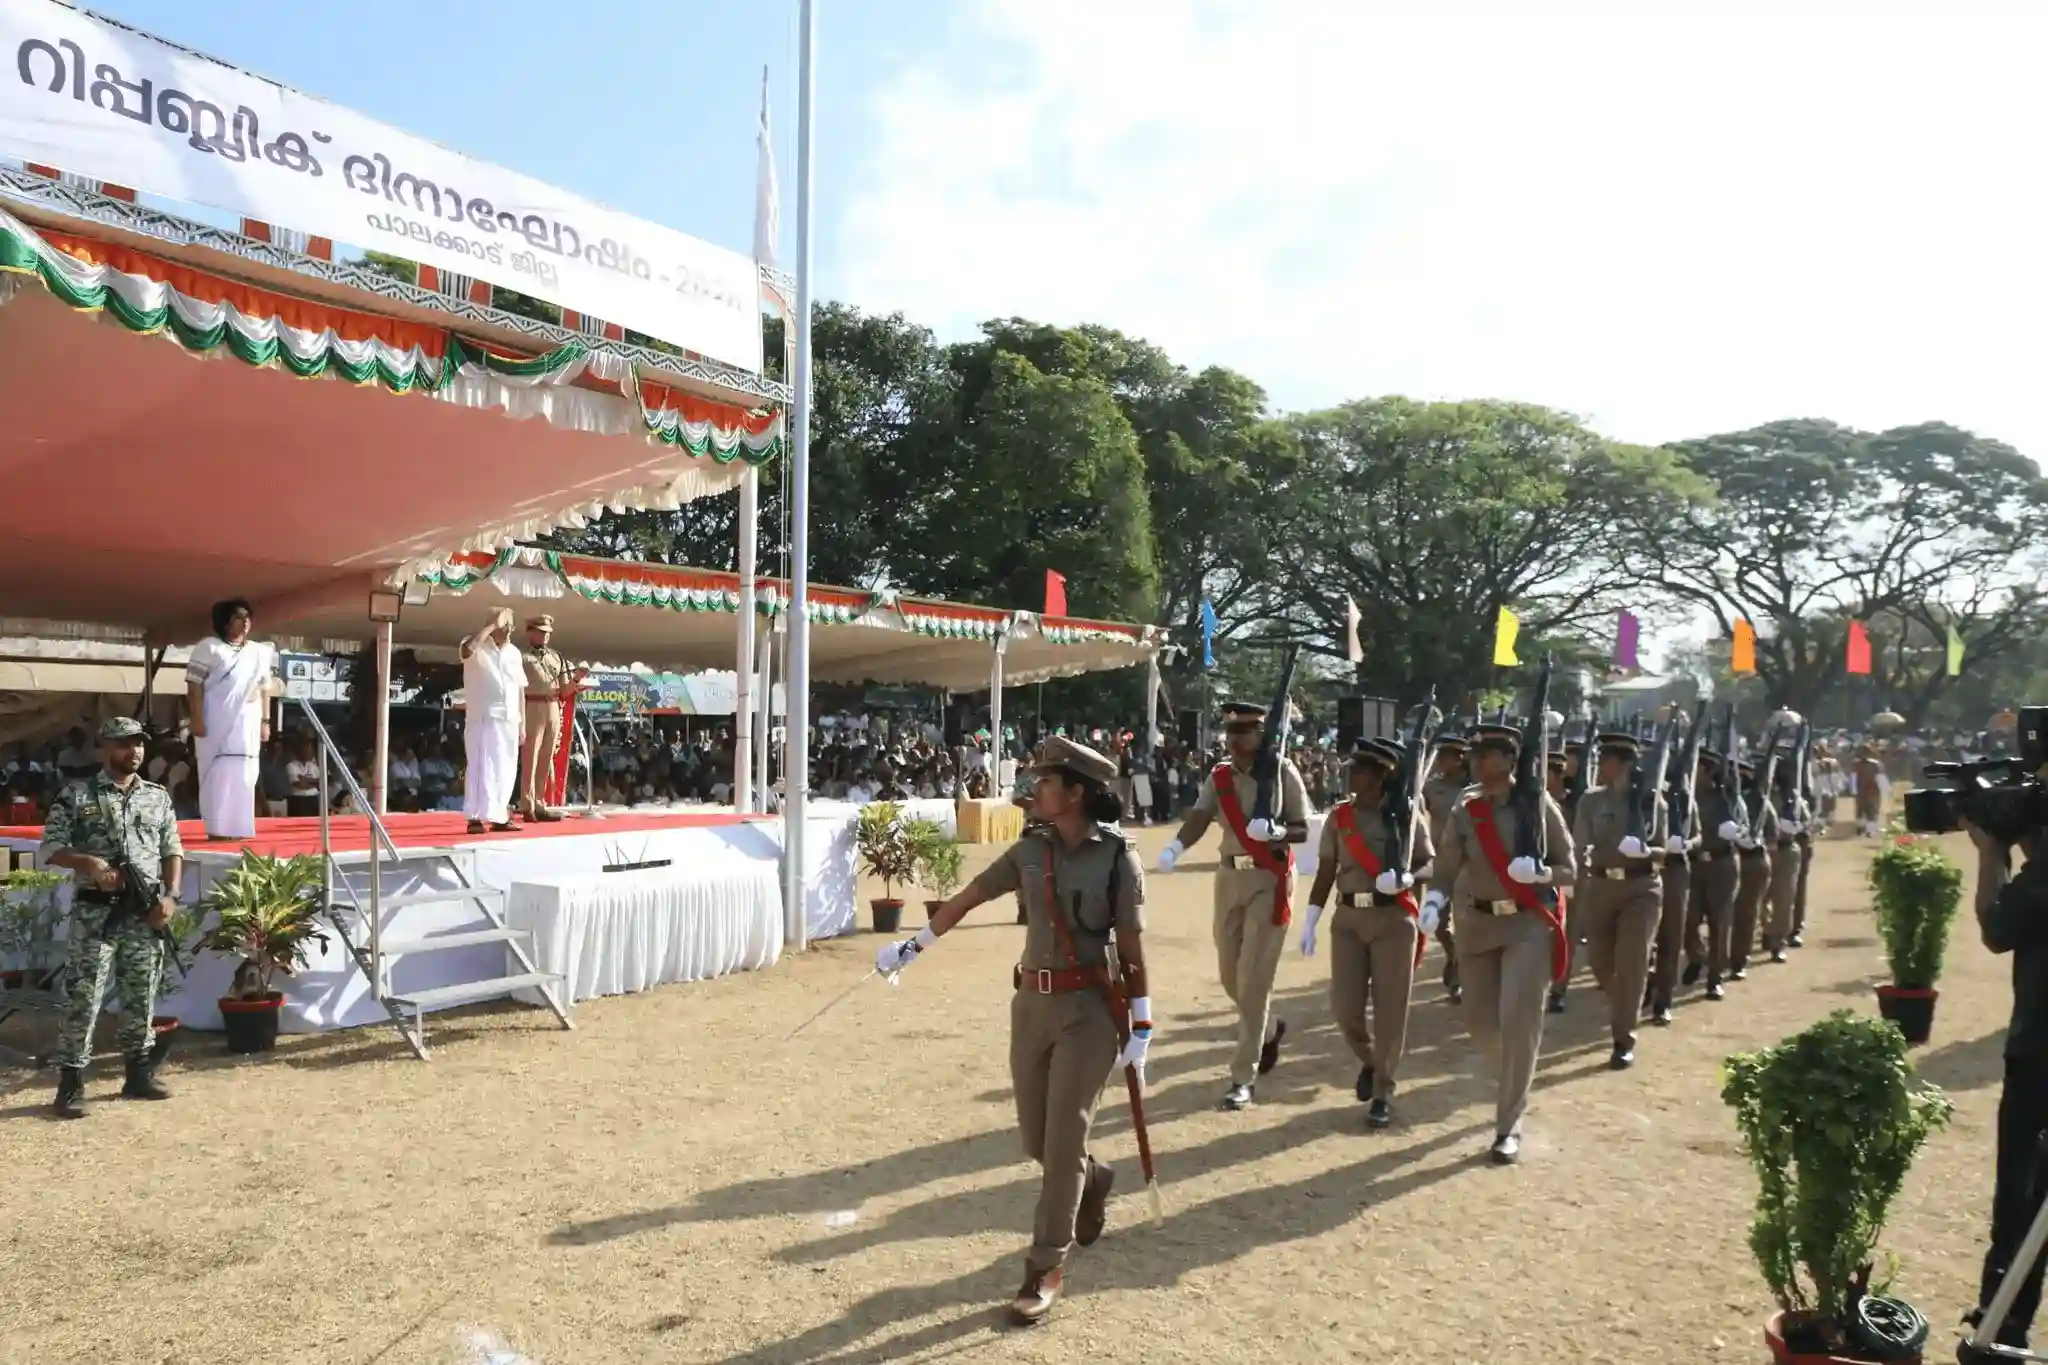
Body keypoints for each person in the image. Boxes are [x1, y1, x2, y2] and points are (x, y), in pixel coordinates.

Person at [874, 737, 1149, 1326]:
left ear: (1075, 793)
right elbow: (969, 897)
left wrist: (1142, 1022)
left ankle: (1044, 1264)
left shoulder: (1118, 858)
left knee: (1064, 1138)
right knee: (1038, 1141)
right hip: (1032, 1006)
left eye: (1047, 781)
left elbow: (1130, 945)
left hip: (1091, 1011)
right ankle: (1093, 1176)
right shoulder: (1029, 852)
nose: (1036, 789)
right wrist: (913, 946)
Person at [1424, 721, 1576, 1163]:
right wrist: (1434, 901)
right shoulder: (1465, 808)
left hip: (1527, 926)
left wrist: (1544, 875)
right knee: (1478, 1020)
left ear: (1510, 760)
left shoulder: (1537, 804)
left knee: (1518, 1019)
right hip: (1477, 926)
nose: (1475, 761)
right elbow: (1448, 865)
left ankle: (1508, 1124)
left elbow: (1569, 868)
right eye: (1473, 754)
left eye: (1486, 753)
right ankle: (1515, 1073)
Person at [1157, 700, 1309, 1111]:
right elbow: (1200, 816)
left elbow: (1302, 827)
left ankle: (1243, 1077)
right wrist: (1176, 846)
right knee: (1230, 975)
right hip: (1229, 877)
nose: (1235, 738)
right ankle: (1271, 1027)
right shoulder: (1220, 775)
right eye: (1231, 731)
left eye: (1244, 731)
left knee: (1253, 979)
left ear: (1262, 733)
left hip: (1269, 877)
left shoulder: (1282, 773)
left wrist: (1276, 830)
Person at [42, 717, 184, 1118]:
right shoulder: (76, 794)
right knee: (84, 998)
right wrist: (87, 861)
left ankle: (138, 1072)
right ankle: (70, 1083)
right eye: (124, 744)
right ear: (104, 747)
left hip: (143, 913)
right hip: (95, 914)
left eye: (139, 744)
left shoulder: (156, 796)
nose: (134, 751)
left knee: (141, 993)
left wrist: (171, 897)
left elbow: (172, 849)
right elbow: (52, 847)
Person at [1301, 739, 1433, 1127]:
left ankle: (1383, 1093)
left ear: (1380, 775)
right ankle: (1374, 1064)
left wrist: (1409, 877)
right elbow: (1326, 872)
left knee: (1391, 1013)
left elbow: (1430, 863)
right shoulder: (1340, 817)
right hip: (1348, 920)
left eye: (1358, 769)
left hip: (1393, 920)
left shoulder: (1407, 815)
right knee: (1345, 1010)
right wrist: (1310, 919)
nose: (1350, 774)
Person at [1961, 787, 2048, 1361]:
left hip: (2041, 1054)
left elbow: (1995, 928)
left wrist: (1992, 855)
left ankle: (2004, 1319)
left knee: (2022, 1192)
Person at [1568, 732, 1665, 1069]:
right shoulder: (1590, 801)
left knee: (1632, 962)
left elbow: (1669, 849)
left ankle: (1623, 1038)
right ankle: (1628, 1001)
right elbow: (1578, 846)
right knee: (1599, 961)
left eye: (1605, 760)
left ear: (1623, 764)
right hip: (1601, 887)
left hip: (1642, 888)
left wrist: (1647, 851)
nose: (1599, 766)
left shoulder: (1653, 802)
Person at [185, 598, 280, 840]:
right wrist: (196, 719)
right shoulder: (209, 647)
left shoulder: (259, 651)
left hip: (248, 722)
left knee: (246, 773)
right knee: (219, 773)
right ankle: (218, 830)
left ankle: (240, 828)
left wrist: (266, 722)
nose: (246, 621)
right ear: (226, 622)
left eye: (248, 616)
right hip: (215, 722)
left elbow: (264, 687)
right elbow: (194, 686)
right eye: (239, 616)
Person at [1683, 750, 1742, 1002]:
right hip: (1694, 865)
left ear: (1707, 771)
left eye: (1696, 768)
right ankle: (1697, 957)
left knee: (1719, 923)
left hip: (1721, 863)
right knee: (1688, 920)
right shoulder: (1685, 798)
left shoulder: (1726, 797)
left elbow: (1743, 824)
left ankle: (1714, 979)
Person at [460, 608, 524, 833]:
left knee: (505, 770)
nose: (509, 629)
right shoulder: (475, 645)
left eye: (510, 625)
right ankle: (474, 818)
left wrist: (521, 723)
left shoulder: (514, 653)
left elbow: (519, 688)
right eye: (504, 624)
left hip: (508, 718)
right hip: (483, 717)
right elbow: (466, 652)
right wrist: (490, 627)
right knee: (480, 768)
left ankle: (499, 816)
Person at [518, 614, 585, 822]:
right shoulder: (521, 657)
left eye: (547, 633)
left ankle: (540, 802)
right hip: (532, 704)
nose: (545, 636)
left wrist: (577, 679)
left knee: (547, 756)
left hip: (553, 706)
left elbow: (565, 690)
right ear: (530, 632)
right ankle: (527, 804)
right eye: (540, 632)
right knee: (530, 756)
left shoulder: (557, 657)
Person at [1423, 734, 1473, 1004]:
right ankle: (1453, 955)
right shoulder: (1432, 787)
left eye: (1445, 757)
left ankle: (1458, 978)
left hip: (1469, 865)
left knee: (1466, 923)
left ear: (1459, 759)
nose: (1440, 762)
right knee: (1441, 926)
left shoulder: (1475, 788)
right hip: (1442, 865)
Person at [1727, 759, 1778, 981]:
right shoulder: (1722, 800)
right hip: (1724, 862)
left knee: (1745, 915)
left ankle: (1738, 960)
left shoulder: (1761, 804)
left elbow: (1773, 839)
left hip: (1751, 862)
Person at [1762, 752, 1811, 962]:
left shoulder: (1794, 798)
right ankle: (1766, 929)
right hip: (1761, 851)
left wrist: (1794, 825)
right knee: (1760, 899)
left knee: (1784, 899)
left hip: (1787, 850)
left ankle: (1778, 941)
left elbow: (1806, 821)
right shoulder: (1757, 796)